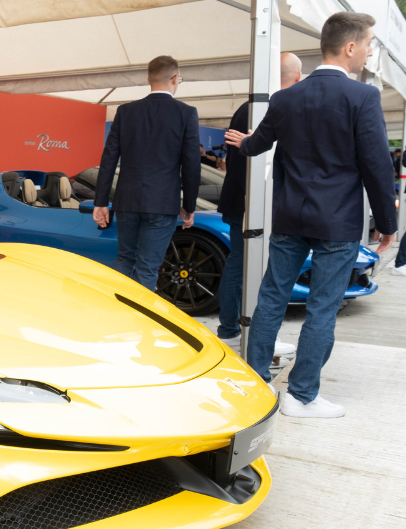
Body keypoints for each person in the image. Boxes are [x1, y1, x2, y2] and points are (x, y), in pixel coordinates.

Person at [225, 12, 398, 418]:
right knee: (322, 307)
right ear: (350, 47)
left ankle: (255, 382)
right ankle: (301, 396)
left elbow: (256, 147)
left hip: (289, 217)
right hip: (336, 221)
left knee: (271, 298)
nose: (370, 51)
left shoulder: (287, 98)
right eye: (369, 44)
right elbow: (376, 165)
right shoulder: (361, 98)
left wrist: (246, 142)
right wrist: (387, 226)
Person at [214, 52, 303, 357]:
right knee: (245, 266)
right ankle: (236, 332)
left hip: (247, 201)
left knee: (240, 265)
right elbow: (247, 162)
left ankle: (233, 330)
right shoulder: (266, 107)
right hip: (252, 203)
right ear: (297, 78)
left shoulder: (253, 106)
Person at [94, 55, 200, 290]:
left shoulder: (126, 111)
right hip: (162, 203)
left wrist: (100, 201)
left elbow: (108, 159)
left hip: (127, 200)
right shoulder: (186, 113)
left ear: (148, 78)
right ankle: (138, 322)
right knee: (148, 267)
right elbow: (192, 164)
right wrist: (190, 206)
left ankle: (118, 315)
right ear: (174, 78)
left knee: (124, 258)